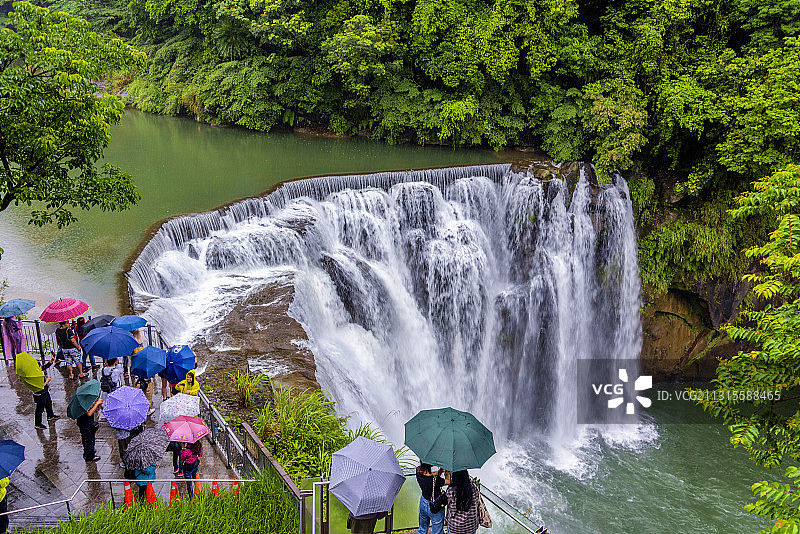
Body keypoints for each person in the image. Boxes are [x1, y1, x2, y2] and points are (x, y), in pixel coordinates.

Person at [416, 463, 446, 534]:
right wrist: (447, 471)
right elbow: (448, 481)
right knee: (437, 531)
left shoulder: (418, 471)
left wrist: (441, 470)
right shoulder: (435, 480)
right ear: (431, 465)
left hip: (423, 502)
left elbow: (432, 477)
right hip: (435, 506)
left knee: (422, 529)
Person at [33, 353, 59, 429]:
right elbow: (40, 386)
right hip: (40, 394)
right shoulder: (36, 376)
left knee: (48, 403)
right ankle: (38, 423)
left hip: (45, 392)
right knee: (40, 408)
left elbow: (46, 366)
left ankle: (50, 415)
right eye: (40, 366)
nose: (41, 367)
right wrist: (47, 380)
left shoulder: (38, 371)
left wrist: (52, 360)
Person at [77, 397, 103, 462]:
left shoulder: (80, 400)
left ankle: (86, 452)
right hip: (86, 424)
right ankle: (90, 457)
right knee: (89, 440)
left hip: (82, 423)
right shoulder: (84, 402)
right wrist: (97, 404)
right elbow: (89, 413)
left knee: (85, 438)